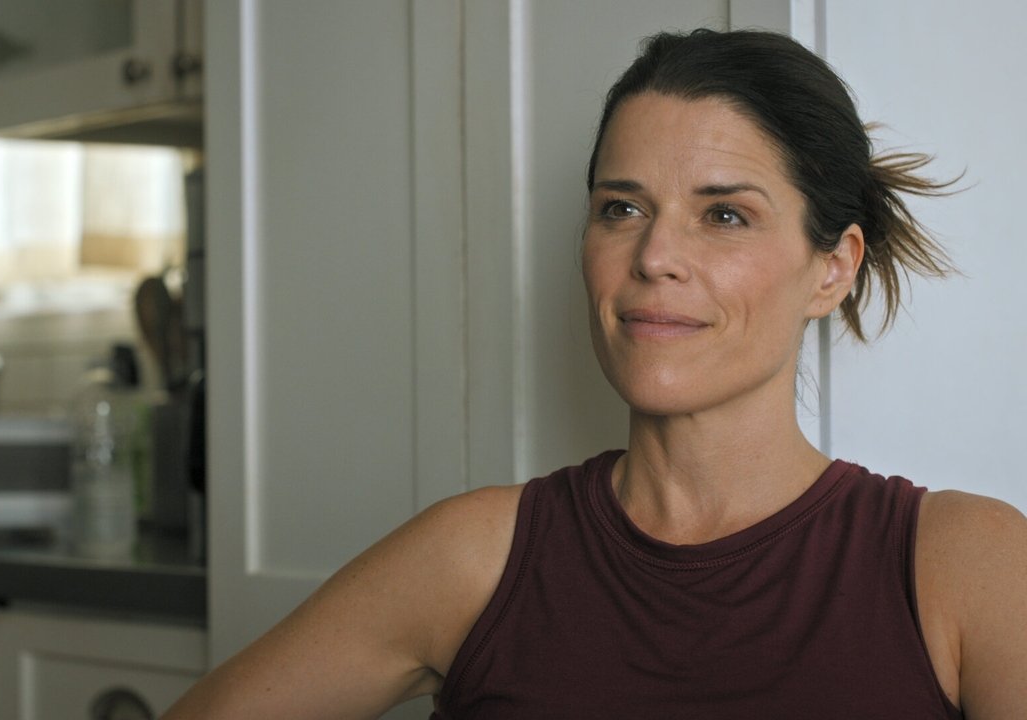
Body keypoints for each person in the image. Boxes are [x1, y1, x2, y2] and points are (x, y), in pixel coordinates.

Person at [163, 29, 1027, 719]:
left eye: (725, 215)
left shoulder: (965, 568)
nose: (654, 255)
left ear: (832, 269)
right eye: (622, 208)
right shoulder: (472, 559)